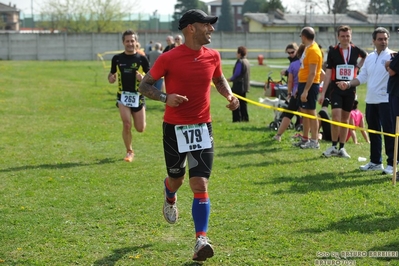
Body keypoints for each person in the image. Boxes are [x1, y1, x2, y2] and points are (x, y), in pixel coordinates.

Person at [138, 9, 239, 262]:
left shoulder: (213, 56)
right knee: (177, 179)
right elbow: (144, 85)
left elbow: (219, 79)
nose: (212, 29)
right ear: (191, 28)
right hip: (174, 129)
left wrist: (229, 95)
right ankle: (169, 194)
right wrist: (165, 98)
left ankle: (200, 239)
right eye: (207, 25)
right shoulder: (169, 58)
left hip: (203, 128)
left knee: (200, 184)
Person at [337, 27, 394, 174]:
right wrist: (348, 84)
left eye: (385, 39)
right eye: (380, 39)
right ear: (373, 41)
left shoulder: (392, 56)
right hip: (371, 101)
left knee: (389, 133)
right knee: (373, 132)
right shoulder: (369, 58)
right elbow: (363, 77)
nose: (383, 41)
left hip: (387, 101)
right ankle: (375, 162)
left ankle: (392, 164)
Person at [318, 25, 367, 158]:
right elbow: (328, 74)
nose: (345, 38)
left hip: (350, 89)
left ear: (350, 37)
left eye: (347, 36)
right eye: (342, 36)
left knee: (345, 119)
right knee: (335, 117)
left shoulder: (356, 50)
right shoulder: (333, 51)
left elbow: (365, 56)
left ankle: (342, 148)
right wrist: (323, 93)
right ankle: (333, 146)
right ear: (338, 37)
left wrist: (358, 66)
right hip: (336, 88)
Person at [108, 30, 150, 162]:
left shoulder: (142, 59)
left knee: (140, 128)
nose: (130, 43)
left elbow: (150, 79)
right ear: (123, 42)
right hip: (123, 97)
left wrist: (142, 78)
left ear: (136, 42)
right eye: (127, 41)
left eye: (132, 41)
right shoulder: (117, 59)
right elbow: (111, 75)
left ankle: (142, 117)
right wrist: (111, 78)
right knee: (126, 124)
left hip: (138, 97)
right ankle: (129, 151)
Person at [293, 27, 323, 149]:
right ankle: (305, 138)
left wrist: (305, 90)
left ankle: (314, 141)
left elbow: (313, 73)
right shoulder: (308, 48)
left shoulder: (314, 51)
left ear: (304, 36)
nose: (301, 39)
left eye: (301, 36)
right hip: (303, 83)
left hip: (310, 85)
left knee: (311, 112)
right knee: (304, 112)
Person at [273, 43, 305, 141]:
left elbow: (291, 81)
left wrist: (289, 93)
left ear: (297, 50)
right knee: (302, 114)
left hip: (297, 92)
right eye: (289, 53)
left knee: (291, 114)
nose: (290, 54)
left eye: (292, 52)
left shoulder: (294, 64)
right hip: (304, 91)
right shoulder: (304, 61)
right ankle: (312, 136)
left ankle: (278, 135)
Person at [228, 46, 250, 122]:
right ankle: (245, 118)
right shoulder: (246, 61)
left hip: (238, 86)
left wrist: (230, 79)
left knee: (235, 102)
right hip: (244, 86)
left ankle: (237, 119)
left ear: (239, 53)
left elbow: (237, 73)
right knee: (243, 103)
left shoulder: (240, 61)